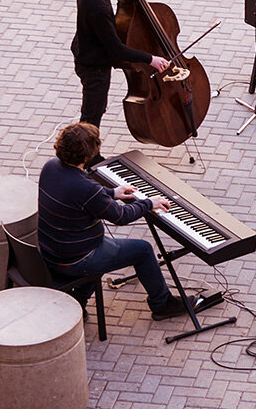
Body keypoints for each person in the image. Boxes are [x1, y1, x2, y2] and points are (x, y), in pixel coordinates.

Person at [37, 122, 189, 320]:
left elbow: (80, 197)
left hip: (52, 250)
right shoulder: (86, 188)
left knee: (108, 251)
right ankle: (163, 304)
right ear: (87, 155)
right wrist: (149, 203)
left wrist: (112, 193)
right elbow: (121, 217)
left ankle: (77, 305)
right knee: (142, 250)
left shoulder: (50, 167)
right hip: (76, 258)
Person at [71, 0, 169, 159]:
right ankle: (86, 159)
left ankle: (87, 154)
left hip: (83, 50)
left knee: (95, 110)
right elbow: (116, 50)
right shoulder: (98, 9)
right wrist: (150, 59)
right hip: (94, 66)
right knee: (92, 114)